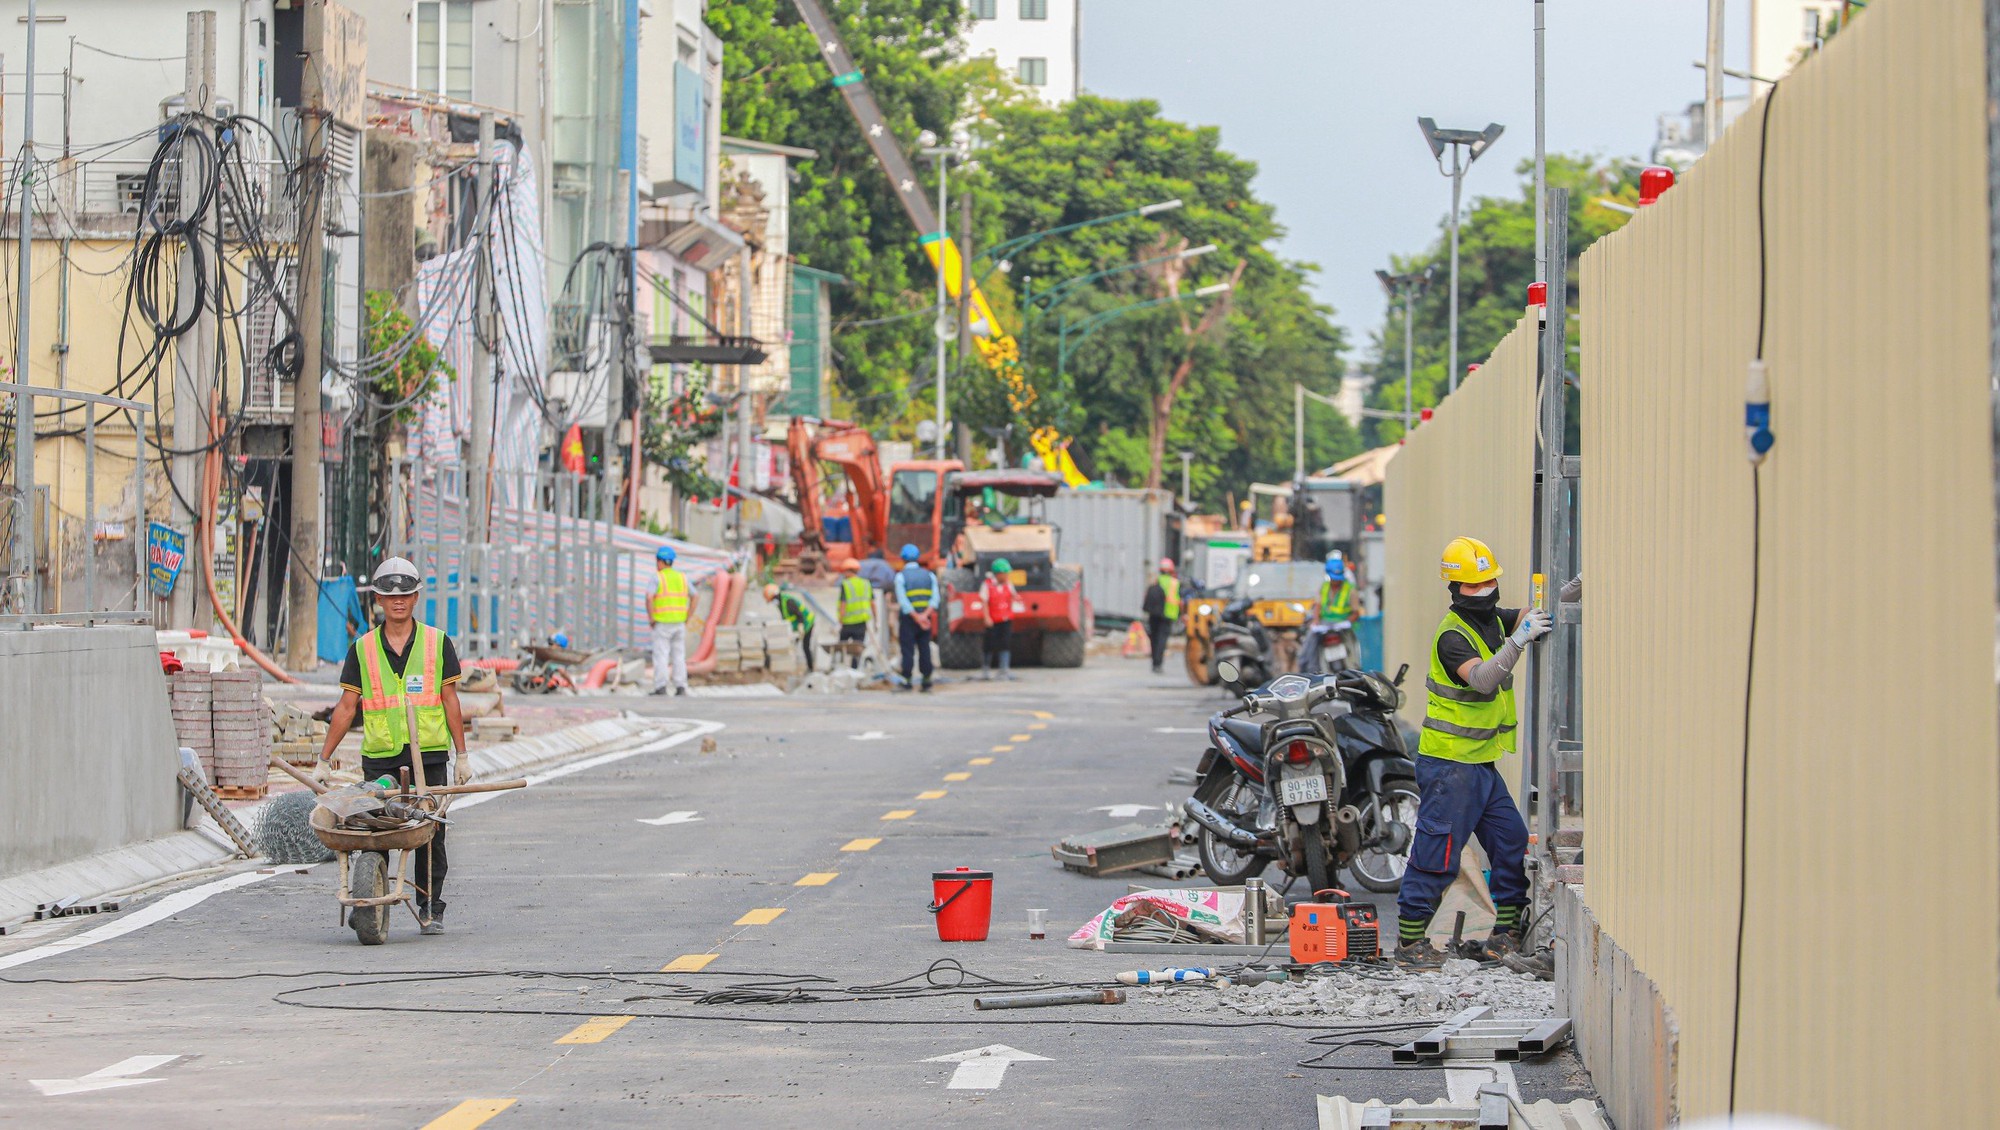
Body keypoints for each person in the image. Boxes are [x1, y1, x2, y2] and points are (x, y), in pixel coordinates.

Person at [1394, 536, 1552, 972]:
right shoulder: (1452, 637)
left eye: (1489, 582)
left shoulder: (1493, 621)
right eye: (1473, 585)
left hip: (1479, 763)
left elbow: (1525, 613)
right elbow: (1482, 680)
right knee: (1438, 851)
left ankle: (1504, 933)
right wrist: (1519, 641)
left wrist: (1567, 593)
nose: (1483, 591)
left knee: (1510, 840)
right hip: (1449, 765)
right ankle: (1409, 944)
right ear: (1454, 588)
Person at [317, 556, 469, 936]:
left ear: (416, 597)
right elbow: (346, 707)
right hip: (382, 758)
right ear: (379, 601)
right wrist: (323, 759)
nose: (398, 601)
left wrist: (462, 754)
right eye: (389, 595)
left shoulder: (437, 643)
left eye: (405, 594)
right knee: (374, 830)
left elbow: (450, 700)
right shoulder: (362, 649)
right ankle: (369, 896)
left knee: (430, 833)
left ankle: (431, 907)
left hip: (429, 755)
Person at [1298, 552, 1356, 674]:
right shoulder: (1323, 587)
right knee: (1309, 647)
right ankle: (1310, 672)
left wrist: (1347, 622)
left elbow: (1356, 612)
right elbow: (1318, 606)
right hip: (1324, 625)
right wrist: (1315, 622)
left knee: (1352, 646)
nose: (1336, 581)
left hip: (1342, 626)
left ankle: (1354, 669)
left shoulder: (1350, 589)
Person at [893, 543, 938, 692]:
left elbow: (903, 601)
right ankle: (926, 681)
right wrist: (924, 616)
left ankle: (907, 681)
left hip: (909, 619)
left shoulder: (901, 577)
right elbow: (935, 599)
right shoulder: (930, 575)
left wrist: (916, 617)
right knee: (924, 648)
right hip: (926, 619)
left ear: (902, 558)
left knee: (907, 650)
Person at [647, 545, 691, 696]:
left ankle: (661, 686)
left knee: (661, 655)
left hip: (662, 623)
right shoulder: (682, 577)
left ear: (660, 562)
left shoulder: (657, 578)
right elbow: (695, 595)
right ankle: (681, 686)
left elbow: (649, 597)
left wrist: (651, 617)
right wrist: (688, 616)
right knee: (679, 656)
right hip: (679, 623)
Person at [980, 557, 1020, 681]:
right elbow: (984, 602)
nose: (1007, 575)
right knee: (989, 644)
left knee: (1005, 643)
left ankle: (1004, 670)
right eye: (1005, 573)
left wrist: (1017, 599)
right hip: (993, 620)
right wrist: (987, 617)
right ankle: (986, 669)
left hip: (1006, 619)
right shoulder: (987, 585)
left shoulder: (1008, 584)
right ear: (999, 574)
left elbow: (1013, 596)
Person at [764, 582, 817, 672]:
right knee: (791, 645)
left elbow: (800, 615)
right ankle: (791, 665)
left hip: (807, 623)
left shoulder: (788, 601)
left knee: (805, 646)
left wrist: (801, 627)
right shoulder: (780, 603)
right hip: (798, 626)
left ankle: (811, 668)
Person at [1140, 558, 1180, 674]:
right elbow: (1178, 599)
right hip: (1168, 614)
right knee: (1162, 640)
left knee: (1154, 639)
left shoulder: (1155, 581)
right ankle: (1158, 663)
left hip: (1154, 614)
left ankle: (1154, 662)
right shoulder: (1175, 582)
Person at [836, 559, 873, 669]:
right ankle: (854, 671)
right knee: (857, 651)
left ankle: (841, 669)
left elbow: (843, 603)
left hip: (847, 623)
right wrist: (876, 620)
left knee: (842, 648)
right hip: (861, 623)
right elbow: (872, 603)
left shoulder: (846, 584)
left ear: (848, 571)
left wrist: (840, 620)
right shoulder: (866, 583)